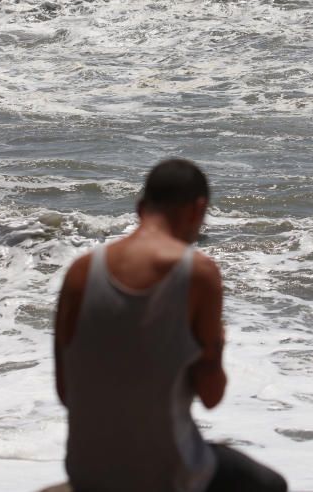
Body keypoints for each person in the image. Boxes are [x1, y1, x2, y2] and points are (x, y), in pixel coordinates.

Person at [55, 158, 287, 492]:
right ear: (198, 209)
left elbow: (66, 393)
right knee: (271, 485)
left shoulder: (80, 271)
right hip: (166, 474)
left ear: (139, 208)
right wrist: (216, 344)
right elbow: (211, 395)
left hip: (86, 469)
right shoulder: (197, 273)